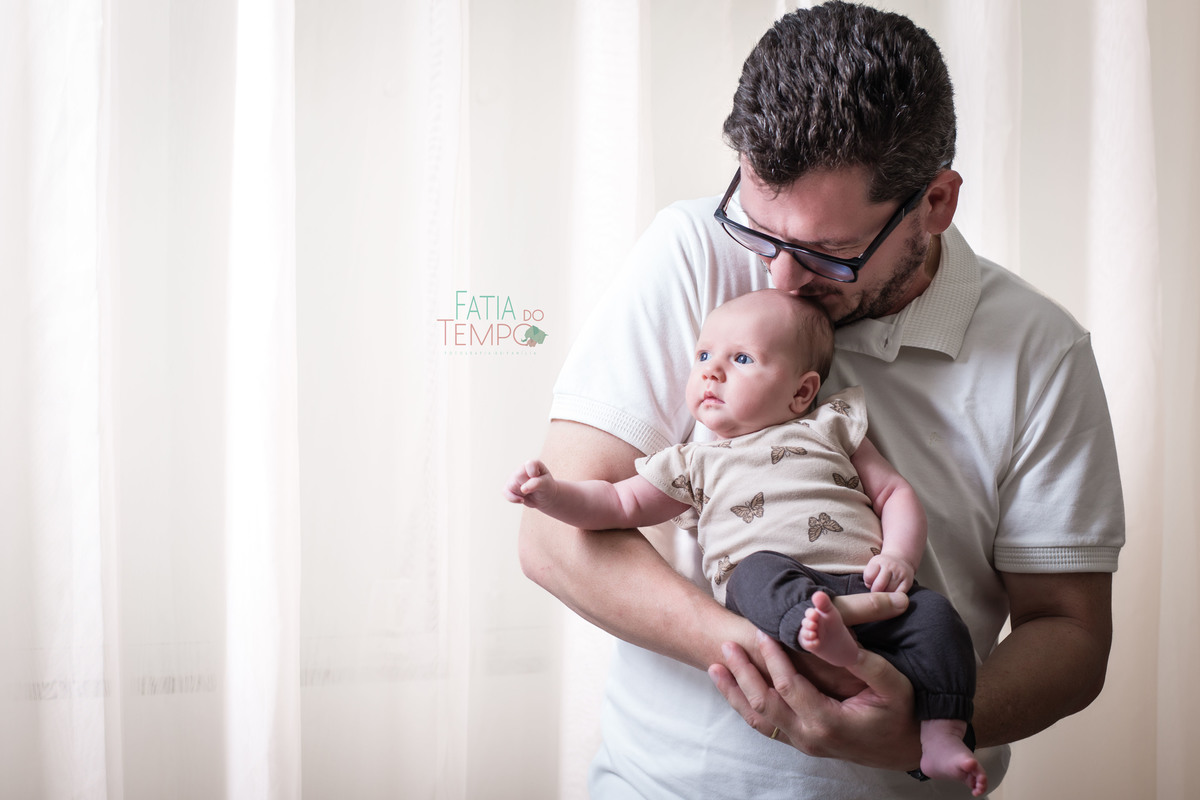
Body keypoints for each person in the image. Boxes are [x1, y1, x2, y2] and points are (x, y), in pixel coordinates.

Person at [517, 2, 1124, 797]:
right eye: (761, 230)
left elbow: (1069, 633)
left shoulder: (1042, 353)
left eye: (828, 253)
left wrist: (917, 722)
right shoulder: (693, 249)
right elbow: (556, 542)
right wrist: (776, 659)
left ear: (935, 203)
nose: (777, 278)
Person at [507, 289, 987, 794]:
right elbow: (617, 505)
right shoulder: (692, 462)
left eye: (740, 359)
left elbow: (894, 492)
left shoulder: (831, 425)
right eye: (703, 356)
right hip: (788, 594)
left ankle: (941, 734)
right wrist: (553, 494)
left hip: (872, 589)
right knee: (752, 574)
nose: (712, 371)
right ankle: (819, 635)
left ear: (802, 393)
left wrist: (899, 555)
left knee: (938, 619)